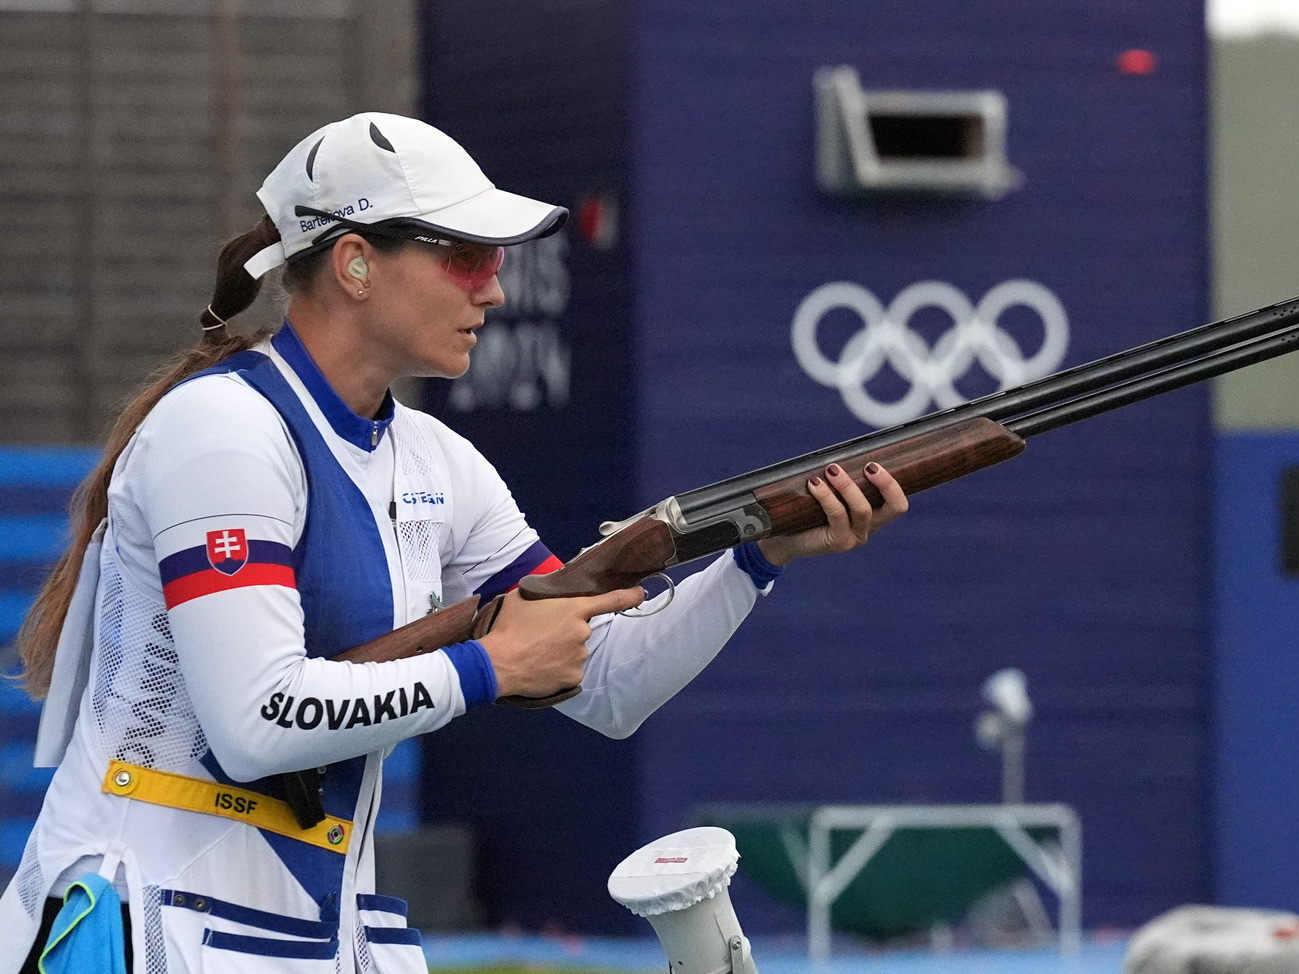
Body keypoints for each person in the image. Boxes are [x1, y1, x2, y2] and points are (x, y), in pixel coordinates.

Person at [0, 112, 908, 974]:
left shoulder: (434, 458)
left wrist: (759, 557)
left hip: (310, 932)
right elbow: (254, 724)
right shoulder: (223, 431)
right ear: (355, 263)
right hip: (147, 923)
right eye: (466, 255)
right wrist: (488, 670)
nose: (497, 285)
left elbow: (609, 685)